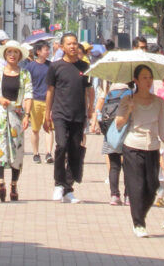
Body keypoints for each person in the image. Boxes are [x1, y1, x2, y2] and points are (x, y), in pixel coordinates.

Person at [114, 64, 164, 238]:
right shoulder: (128, 100)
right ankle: (138, 222)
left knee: (152, 185)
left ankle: (141, 214)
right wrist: (129, 110)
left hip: (152, 147)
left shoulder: (159, 102)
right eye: (144, 77)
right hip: (132, 146)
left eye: (150, 77)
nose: (147, 81)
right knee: (136, 185)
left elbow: (163, 127)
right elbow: (118, 123)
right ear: (136, 80)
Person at [44, 31, 93, 204]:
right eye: (69, 44)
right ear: (62, 47)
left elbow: (89, 90)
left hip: (78, 114)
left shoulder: (85, 67)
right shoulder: (55, 66)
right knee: (61, 146)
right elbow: (50, 91)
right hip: (59, 113)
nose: (73, 46)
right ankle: (59, 183)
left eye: (75, 43)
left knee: (74, 150)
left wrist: (91, 110)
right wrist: (46, 114)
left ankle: (68, 188)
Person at [0, 41, 32, 202]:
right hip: (0, 116)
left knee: (17, 151)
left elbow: (28, 94)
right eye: (9, 52)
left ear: (20, 55)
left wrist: (27, 115)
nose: (12, 55)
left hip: (17, 115)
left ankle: (14, 184)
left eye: (15, 52)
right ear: (5, 55)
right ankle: (1, 183)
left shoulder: (25, 74)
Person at [93, 81, 131, 206]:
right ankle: (128, 196)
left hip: (110, 134)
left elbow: (99, 110)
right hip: (126, 133)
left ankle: (114, 195)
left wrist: (96, 123)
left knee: (114, 166)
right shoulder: (129, 93)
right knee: (129, 166)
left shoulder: (109, 93)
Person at [26, 40, 54, 163]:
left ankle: (48, 153)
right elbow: (26, 84)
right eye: (45, 49)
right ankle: (36, 153)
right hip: (35, 101)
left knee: (49, 128)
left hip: (49, 102)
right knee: (35, 129)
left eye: (48, 49)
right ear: (38, 52)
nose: (48, 52)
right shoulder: (30, 67)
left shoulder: (52, 66)